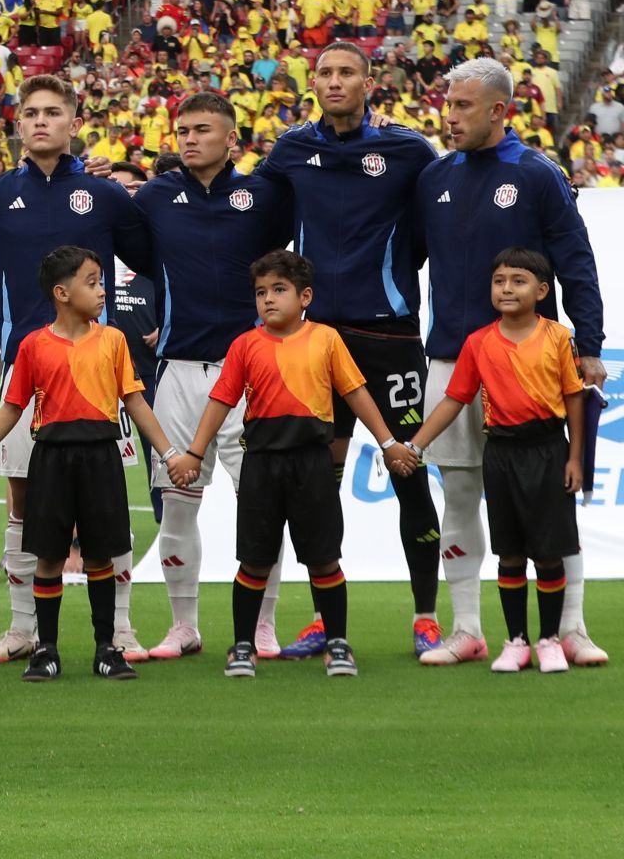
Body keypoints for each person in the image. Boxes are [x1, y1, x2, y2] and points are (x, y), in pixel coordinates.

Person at [0, 74, 154, 666]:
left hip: (98, 377)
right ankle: (22, 630)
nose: (41, 121)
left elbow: (154, 262)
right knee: (23, 503)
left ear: (72, 124)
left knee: (108, 511)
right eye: (31, 112)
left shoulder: (107, 196)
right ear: (18, 126)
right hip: (27, 369)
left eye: (53, 112)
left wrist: (157, 319)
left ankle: (119, 629)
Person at [414, 59, 608, 666]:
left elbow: (576, 261)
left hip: (534, 361)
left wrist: (591, 346)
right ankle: (468, 628)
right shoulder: (433, 176)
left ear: (500, 110)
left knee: (553, 496)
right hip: (452, 357)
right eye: (448, 105)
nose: (450, 117)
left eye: (464, 106)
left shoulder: (536, 174)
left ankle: (570, 628)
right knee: (461, 494)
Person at [256, 40, 445, 659]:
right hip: (317, 342)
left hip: (388, 335)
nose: (334, 81)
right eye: (324, 73)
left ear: (370, 82)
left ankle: (426, 617)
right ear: (313, 82)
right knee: (317, 484)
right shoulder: (291, 148)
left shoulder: (408, 148)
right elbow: (245, 207)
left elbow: (442, 213)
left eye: (346, 73)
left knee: (408, 472)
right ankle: (321, 620)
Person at [168, 251, 416, 679]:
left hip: (313, 465)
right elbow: (221, 400)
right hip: (261, 465)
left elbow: (356, 393)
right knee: (254, 561)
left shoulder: (326, 339)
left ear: (305, 296)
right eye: (261, 292)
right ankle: (242, 646)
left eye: (279, 290)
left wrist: (389, 442)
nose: (268, 300)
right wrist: (194, 451)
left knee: (324, 560)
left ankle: (337, 643)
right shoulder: (244, 345)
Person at [0, 246, 177, 682]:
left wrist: (169, 454)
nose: (101, 291)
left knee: (100, 557)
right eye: (92, 282)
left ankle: (106, 648)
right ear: (62, 292)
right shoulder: (33, 345)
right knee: (49, 558)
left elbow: (133, 400)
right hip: (51, 459)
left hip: (101, 456)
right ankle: (46, 650)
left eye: (101, 281)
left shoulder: (112, 340)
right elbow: (11, 408)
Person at [133, 92, 293, 660]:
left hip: (251, 371)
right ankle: (184, 625)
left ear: (232, 140)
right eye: (182, 129)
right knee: (178, 500)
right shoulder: (153, 198)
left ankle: (264, 625)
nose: (189, 138)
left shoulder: (264, 196)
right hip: (176, 370)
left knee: (260, 504)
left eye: (203, 129)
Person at [405, 248, 586, 674]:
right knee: (509, 554)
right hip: (500, 453)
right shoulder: (478, 342)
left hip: (547, 450)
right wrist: (416, 446)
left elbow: (573, 398)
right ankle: (516, 641)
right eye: (499, 281)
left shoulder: (558, 338)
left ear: (542, 291)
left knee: (548, 553)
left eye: (518, 281)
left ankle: (550, 640)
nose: (507, 288)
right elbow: (454, 399)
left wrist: (575, 457)